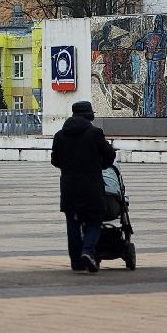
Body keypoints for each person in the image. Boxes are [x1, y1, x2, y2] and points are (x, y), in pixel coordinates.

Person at [51, 100, 116, 273]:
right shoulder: (95, 134)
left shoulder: (59, 136)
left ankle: (76, 263)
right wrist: (100, 165)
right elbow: (110, 156)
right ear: (90, 116)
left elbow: (55, 161)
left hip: (69, 188)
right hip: (92, 187)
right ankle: (87, 251)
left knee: (72, 223)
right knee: (94, 220)